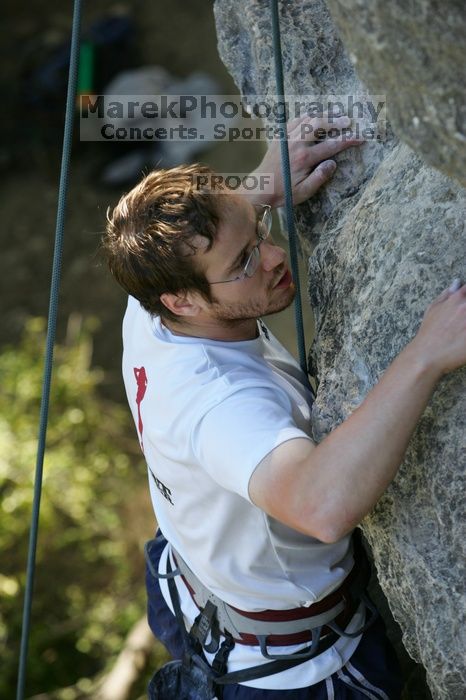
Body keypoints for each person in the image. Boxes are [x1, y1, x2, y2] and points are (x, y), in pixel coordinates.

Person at [102, 114, 466, 699]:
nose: (272, 258)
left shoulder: (150, 298)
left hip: (188, 582)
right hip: (290, 668)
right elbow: (321, 505)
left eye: (257, 235)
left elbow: (186, 244)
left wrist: (255, 190)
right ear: (182, 300)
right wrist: (426, 354)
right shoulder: (219, 407)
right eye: (243, 262)